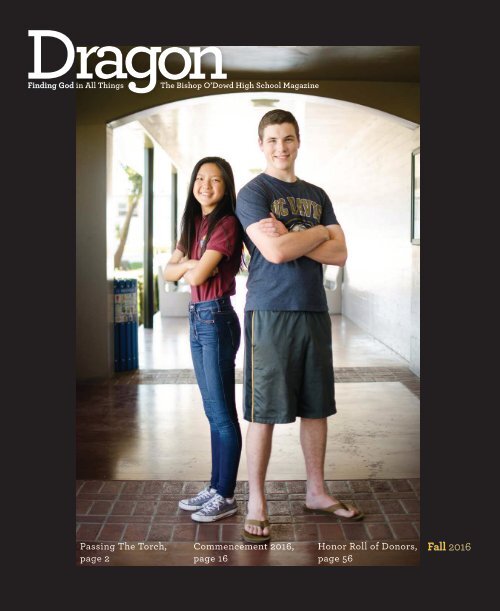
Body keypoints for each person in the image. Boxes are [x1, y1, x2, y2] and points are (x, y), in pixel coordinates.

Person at [236, 109, 363, 543]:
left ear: (298, 141)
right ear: (261, 145)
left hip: (312, 308)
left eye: (288, 138)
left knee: (316, 405)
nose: (281, 147)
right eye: (272, 140)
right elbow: (273, 253)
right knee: (263, 409)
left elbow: (341, 254)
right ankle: (257, 500)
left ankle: (317, 491)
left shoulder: (317, 193)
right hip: (269, 311)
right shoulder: (253, 192)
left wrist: (292, 233)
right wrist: (315, 236)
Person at [164, 156, 243, 523]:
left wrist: (187, 267)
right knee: (213, 413)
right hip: (198, 318)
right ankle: (215, 486)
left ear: (225, 186)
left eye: (214, 179)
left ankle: (226, 495)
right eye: (200, 178)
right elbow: (169, 273)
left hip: (216, 317)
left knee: (223, 415)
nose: (205, 185)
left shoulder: (227, 223)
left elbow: (196, 278)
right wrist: (189, 265)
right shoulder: (193, 222)